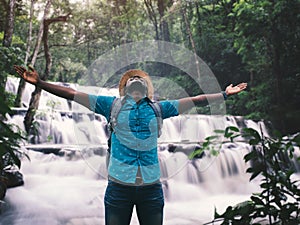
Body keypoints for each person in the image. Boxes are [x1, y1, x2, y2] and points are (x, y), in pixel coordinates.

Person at [14, 65, 247, 225]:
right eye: (131, 81)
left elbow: (196, 101)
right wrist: (41, 83)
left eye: (140, 80)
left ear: (147, 89)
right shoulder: (110, 105)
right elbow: (73, 94)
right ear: (125, 88)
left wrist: (224, 95)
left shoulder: (159, 108)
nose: (136, 82)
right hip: (118, 189)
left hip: (151, 189)